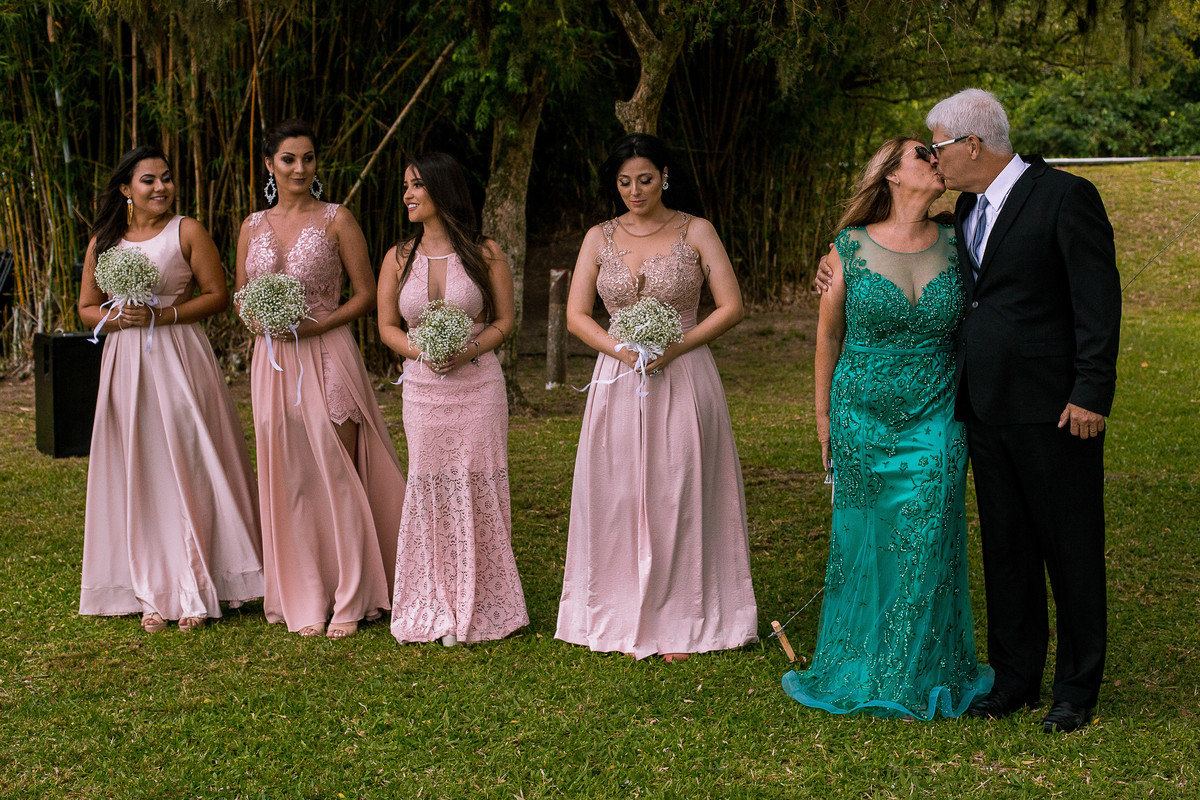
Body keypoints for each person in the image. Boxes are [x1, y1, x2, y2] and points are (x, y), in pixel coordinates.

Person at [927, 89, 1120, 733]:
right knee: (1007, 549)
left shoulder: (1066, 196)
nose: (933, 159)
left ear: (972, 144)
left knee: (1070, 549)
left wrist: (1091, 391)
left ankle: (1076, 689)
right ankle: (1015, 679)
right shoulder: (964, 209)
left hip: (1055, 408)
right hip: (985, 403)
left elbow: (1097, 301)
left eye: (937, 147)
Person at [783, 137, 993, 719]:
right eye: (922, 153)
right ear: (892, 174)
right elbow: (829, 336)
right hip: (861, 416)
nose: (936, 159)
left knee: (929, 536)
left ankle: (918, 670)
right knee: (867, 543)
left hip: (938, 413)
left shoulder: (961, 237)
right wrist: (823, 417)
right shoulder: (846, 248)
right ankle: (863, 663)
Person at [555, 133, 758, 662]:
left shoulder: (697, 230)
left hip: (684, 370)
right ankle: (618, 608)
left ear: (664, 176)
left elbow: (731, 306)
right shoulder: (598, 237)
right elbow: (576, 315)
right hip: (618, 375)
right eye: (624, 182)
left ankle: (681, 615)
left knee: (680, 488)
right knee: (618, 491)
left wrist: (676, 346)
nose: (635, 191)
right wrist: (621, 351)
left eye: (644, 179)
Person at [78, 146, 263, 633]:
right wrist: (117, 319)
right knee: (142, 464)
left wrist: (164, 314)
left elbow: (217, 296)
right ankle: (151, 589)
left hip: (179, 353)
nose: (161, 187)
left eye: (166, 177)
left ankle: (198, 582)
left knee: (189, 458)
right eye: (149, 180)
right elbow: (86, 308)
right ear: (126, 189)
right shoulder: (104, 241)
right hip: (125, 360)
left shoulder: (187, 230)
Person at [234, 119, 405, 639]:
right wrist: (259, 320)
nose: (300, 168)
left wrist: (317, 324)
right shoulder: (251, 226)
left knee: (336, 468)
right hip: (273, 360)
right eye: (289, 159)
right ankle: (306, 593)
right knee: (288, 476)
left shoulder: (337, 219)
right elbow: (242, 296)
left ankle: (354, 596)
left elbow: (366, 295)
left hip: (327, 350)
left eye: (308, 158)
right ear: (270, 164)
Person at [376, 152, 528, 646]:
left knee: (479, 483)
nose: (408, 195)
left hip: (478, 387)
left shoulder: (486, 252)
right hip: (423, 390)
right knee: (429, 484)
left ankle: (482, 600)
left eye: (417, 185)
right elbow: (386, 327)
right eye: (406, 186)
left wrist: (468, 350)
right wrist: (423, 351)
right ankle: (434, 598)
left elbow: (504, 321)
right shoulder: (397, 257)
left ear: (443, 189)